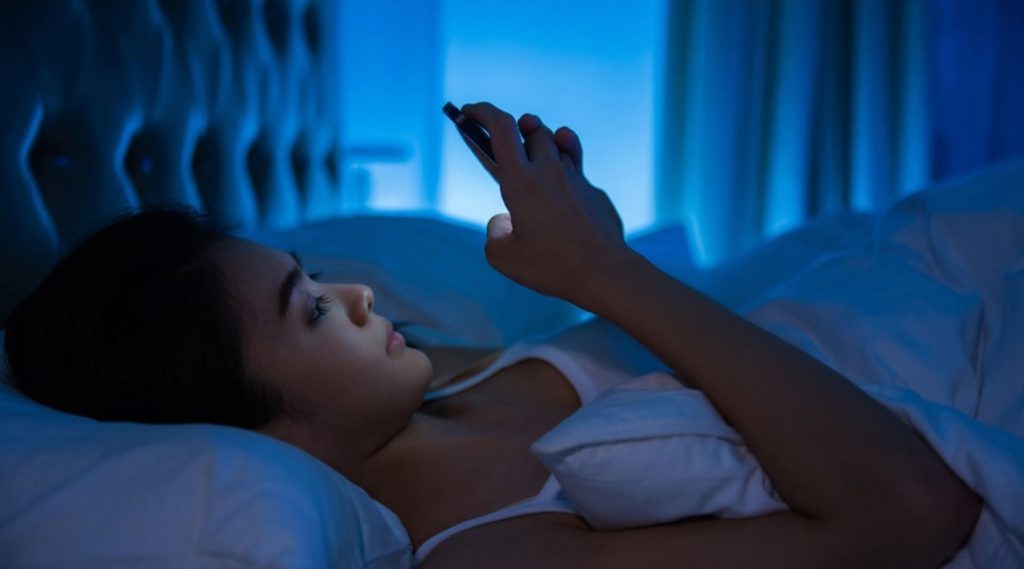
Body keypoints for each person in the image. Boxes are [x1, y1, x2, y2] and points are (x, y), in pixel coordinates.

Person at [4, 102, 980, 567]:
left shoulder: (442, 370)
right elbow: (913, 512)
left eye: (314, 275)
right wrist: (613, 276)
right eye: (308, 308)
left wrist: (590, 237)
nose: (353, 293)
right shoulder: (485, 553)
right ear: (261, 430)